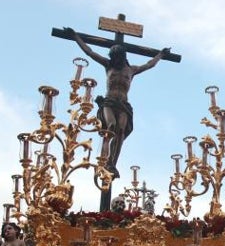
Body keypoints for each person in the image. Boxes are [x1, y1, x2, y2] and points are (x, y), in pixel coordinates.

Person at [65, 27, 169, 178]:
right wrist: (76, 37)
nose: (117, 60)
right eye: (114, 57)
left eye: (118, 57)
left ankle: (112, 163)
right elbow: (90, 52)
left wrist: (160, 54)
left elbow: (149, 64)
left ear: (122, 56)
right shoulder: (109, 66)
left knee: (120, 131)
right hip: (109, 102)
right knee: (111, 126)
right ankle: (104, 158)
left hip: (124, 105)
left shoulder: (131, 70)